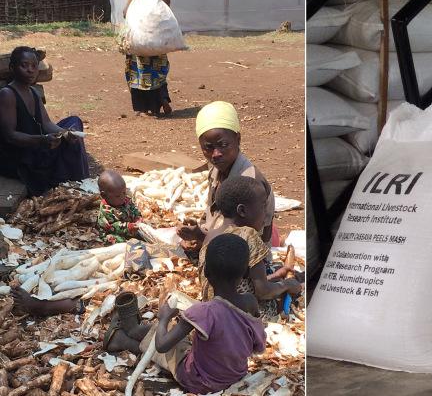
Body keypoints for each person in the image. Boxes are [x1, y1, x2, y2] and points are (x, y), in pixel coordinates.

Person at [104, 234, 266, 394]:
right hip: (234, 376)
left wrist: (163, 318)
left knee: (168, 332)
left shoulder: (204, 312)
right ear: (245, 273)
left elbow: (162, 346)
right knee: (188, 336)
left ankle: (124, 339)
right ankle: (132, 332)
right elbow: (259, 345)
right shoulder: (250, 302)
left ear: (206, 272)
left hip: (198, 380)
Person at [200, 176, 302, 320]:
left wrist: (275, 277)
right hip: (243, 314)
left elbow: (236, 281)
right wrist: (287, 284)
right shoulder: (248, 235)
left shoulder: (211, 235)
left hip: (213, 311)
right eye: (262, 206)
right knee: (295, 296)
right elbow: (263, 291)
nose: (266, 213)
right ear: (242, 211)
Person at [177, 101, 275, 251]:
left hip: (244, 258)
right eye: (208, 147)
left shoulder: (249, 184)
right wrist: (200, 230)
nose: (216, 154)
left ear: (238, 140)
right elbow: (212, 213)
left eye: (223, 145)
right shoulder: (215, 172)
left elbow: (247, 241)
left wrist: (202, 237)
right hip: (217, 243)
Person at [0, 46, 90, 196]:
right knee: (66, 149)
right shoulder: (7, 94)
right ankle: (75, 185)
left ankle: (79, 183)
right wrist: (42, 140)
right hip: (19, 157)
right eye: (24, 65)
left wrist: (65, 133)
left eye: (34, 66)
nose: (30, 70)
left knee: (74, 123)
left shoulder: (32, 92)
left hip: (36, 145)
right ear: (12, 67)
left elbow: (47, 124)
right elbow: (10, 135)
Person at [123, 0, 173, 116]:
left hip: (138, 41)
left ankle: (143, 108)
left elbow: (125, 13)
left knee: (138, 73)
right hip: (157, 43)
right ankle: (161, 99)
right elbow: (167, 17)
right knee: (157, 74)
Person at [97, 169, 142, 244]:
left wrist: (138, 217)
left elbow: (134, 209)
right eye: (117, 196)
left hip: (130, 228)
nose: (122, 197)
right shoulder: (106, 210)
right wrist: (128, 226)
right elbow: (113, 227)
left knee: (142, 234)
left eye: (124, 193)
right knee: (118, 240)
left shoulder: (126, 200)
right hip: (114, 232)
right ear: (104, 195)